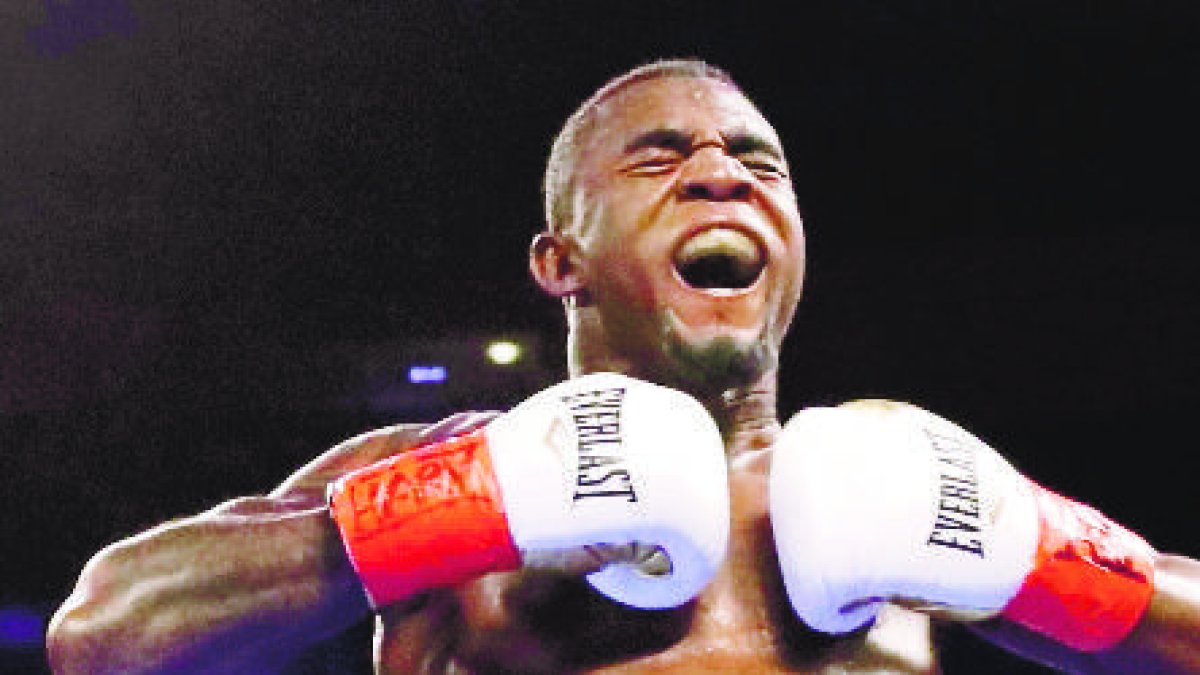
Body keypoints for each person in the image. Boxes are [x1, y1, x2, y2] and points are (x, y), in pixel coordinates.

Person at [47, 58, 1200, 674]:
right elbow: (103, 639)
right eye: (661, 157)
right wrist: (467, 507)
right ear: (562, 261)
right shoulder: (442, 464)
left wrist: (1050, 556)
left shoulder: (908, 478)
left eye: (760, 161)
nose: (721, 173)